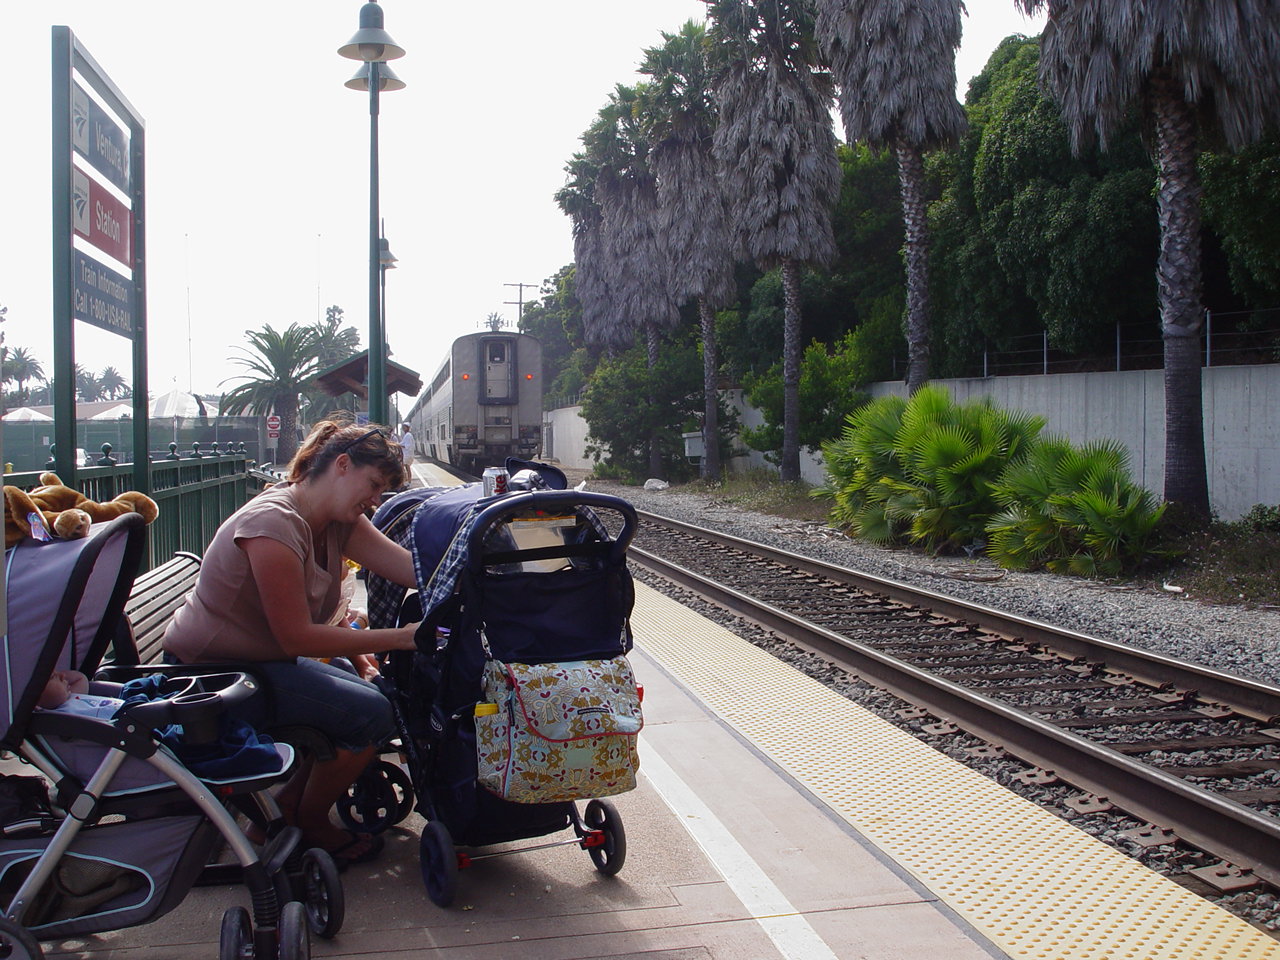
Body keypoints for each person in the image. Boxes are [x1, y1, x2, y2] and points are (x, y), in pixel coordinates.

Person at [162, 421, 419, 868]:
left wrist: (480, 562)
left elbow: (412, 571)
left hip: (256, 664)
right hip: (208, 678)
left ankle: (276, 816)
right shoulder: (272, 524)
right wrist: (403, 639)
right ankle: (308, 818)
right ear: (342, 465)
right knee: (373, 712)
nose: (375, 500)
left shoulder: (339, 520)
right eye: (373, 484)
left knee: (362, 690)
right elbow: (295, 636)